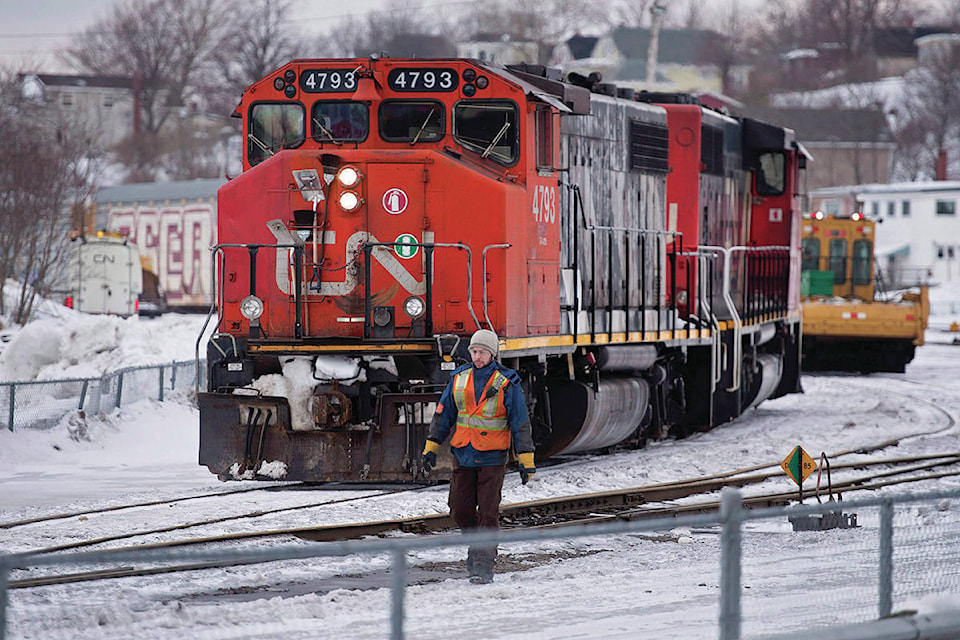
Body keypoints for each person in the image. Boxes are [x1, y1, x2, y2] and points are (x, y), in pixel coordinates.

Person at [421, 328, 536, 584]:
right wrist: (431, 445)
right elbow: (444, 413)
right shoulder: (459, 377)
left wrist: (526, 459)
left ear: (492, 353)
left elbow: (520, 421)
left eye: (482, 351)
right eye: (474, 351)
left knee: (488, 513)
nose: (477, 356)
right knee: (459, 510)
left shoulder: (506, 381)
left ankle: (483, 565)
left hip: (492, 458)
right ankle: (478, 546)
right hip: (463, 453)